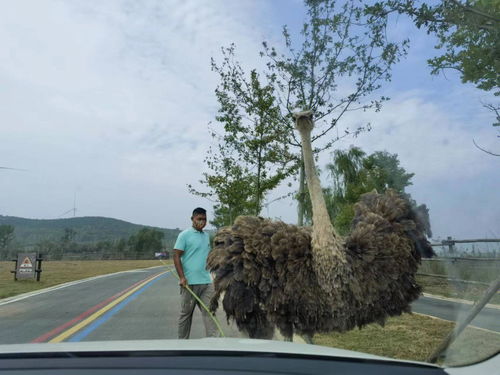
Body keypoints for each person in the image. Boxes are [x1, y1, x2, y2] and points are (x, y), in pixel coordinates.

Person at [173, 207, 218, 339]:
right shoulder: (184, 235)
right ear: (192, 219)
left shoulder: (206, 236)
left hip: (206, 282)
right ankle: (182, 343)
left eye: (204, 219)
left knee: (210, 312)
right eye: (199, 219)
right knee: (186, 314)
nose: (202, 222)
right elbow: (176, 256)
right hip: (189, 283)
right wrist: (182, 277)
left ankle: (213, 341)